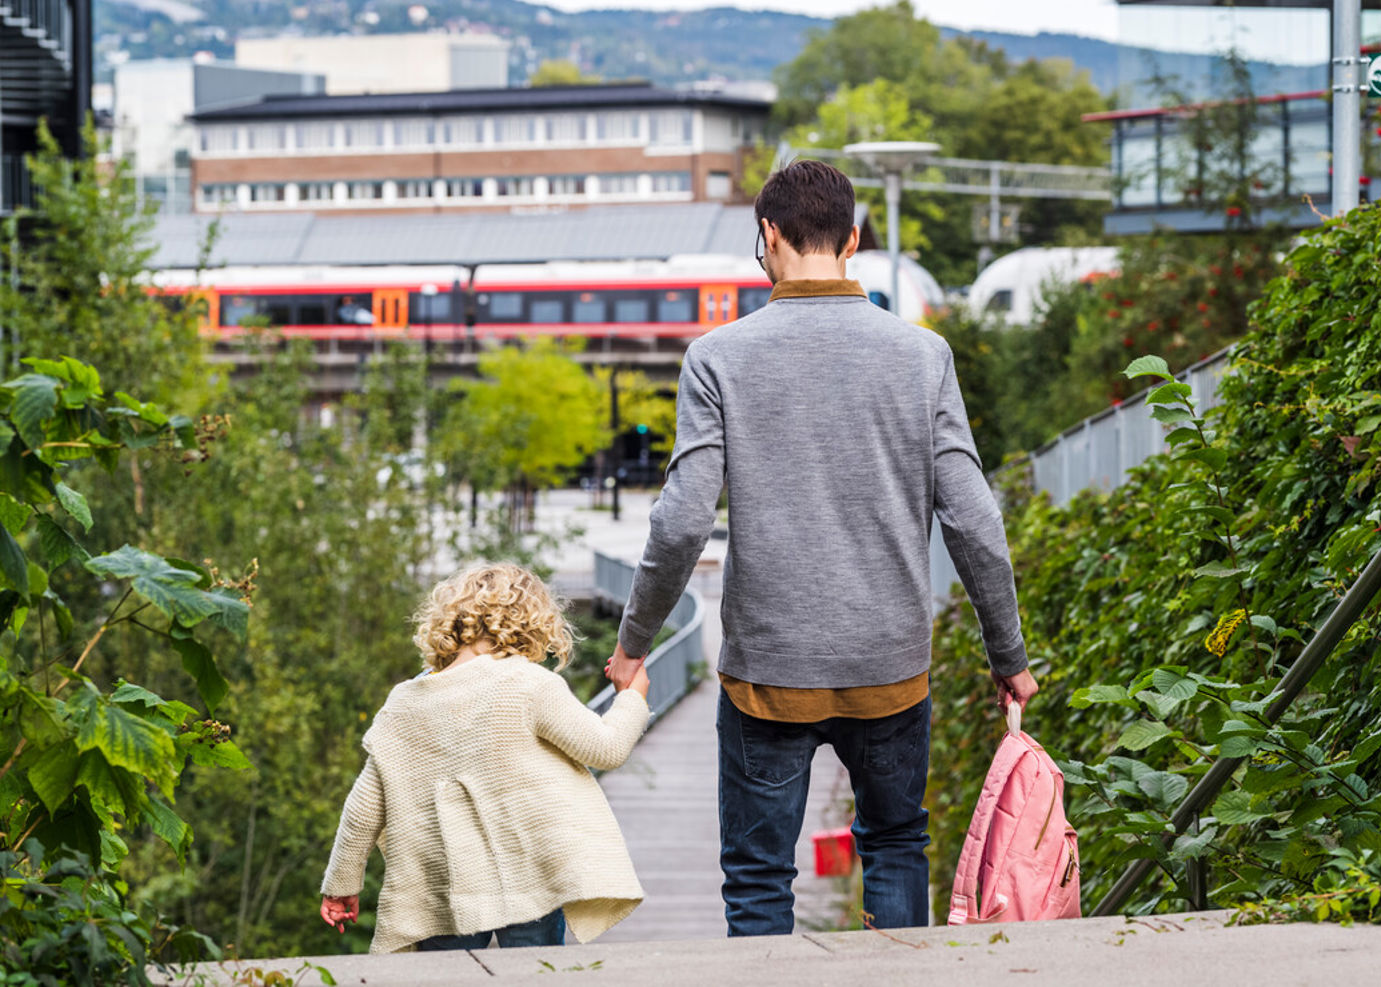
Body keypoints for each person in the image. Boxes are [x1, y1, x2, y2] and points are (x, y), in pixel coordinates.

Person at [606, 160, 1037, 936]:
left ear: (767, 236)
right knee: (899, 843)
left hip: (768, 674)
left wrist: (634, 643)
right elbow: (974, 520)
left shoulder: (718, 357)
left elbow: (680, 522)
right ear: (855, 240)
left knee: (760, 876)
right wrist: (1009, 654)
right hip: (890, 669)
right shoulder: (922, 355)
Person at [319, 563, 651, 953]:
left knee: (441, 982)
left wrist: (341, 886)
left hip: (441, 888)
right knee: (535, 976)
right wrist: (634, 697)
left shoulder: (405, 703)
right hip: (527, 877)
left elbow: (363, 809)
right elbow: (606, 748)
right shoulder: (527, 684)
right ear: (532, 622)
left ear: (451, 621)